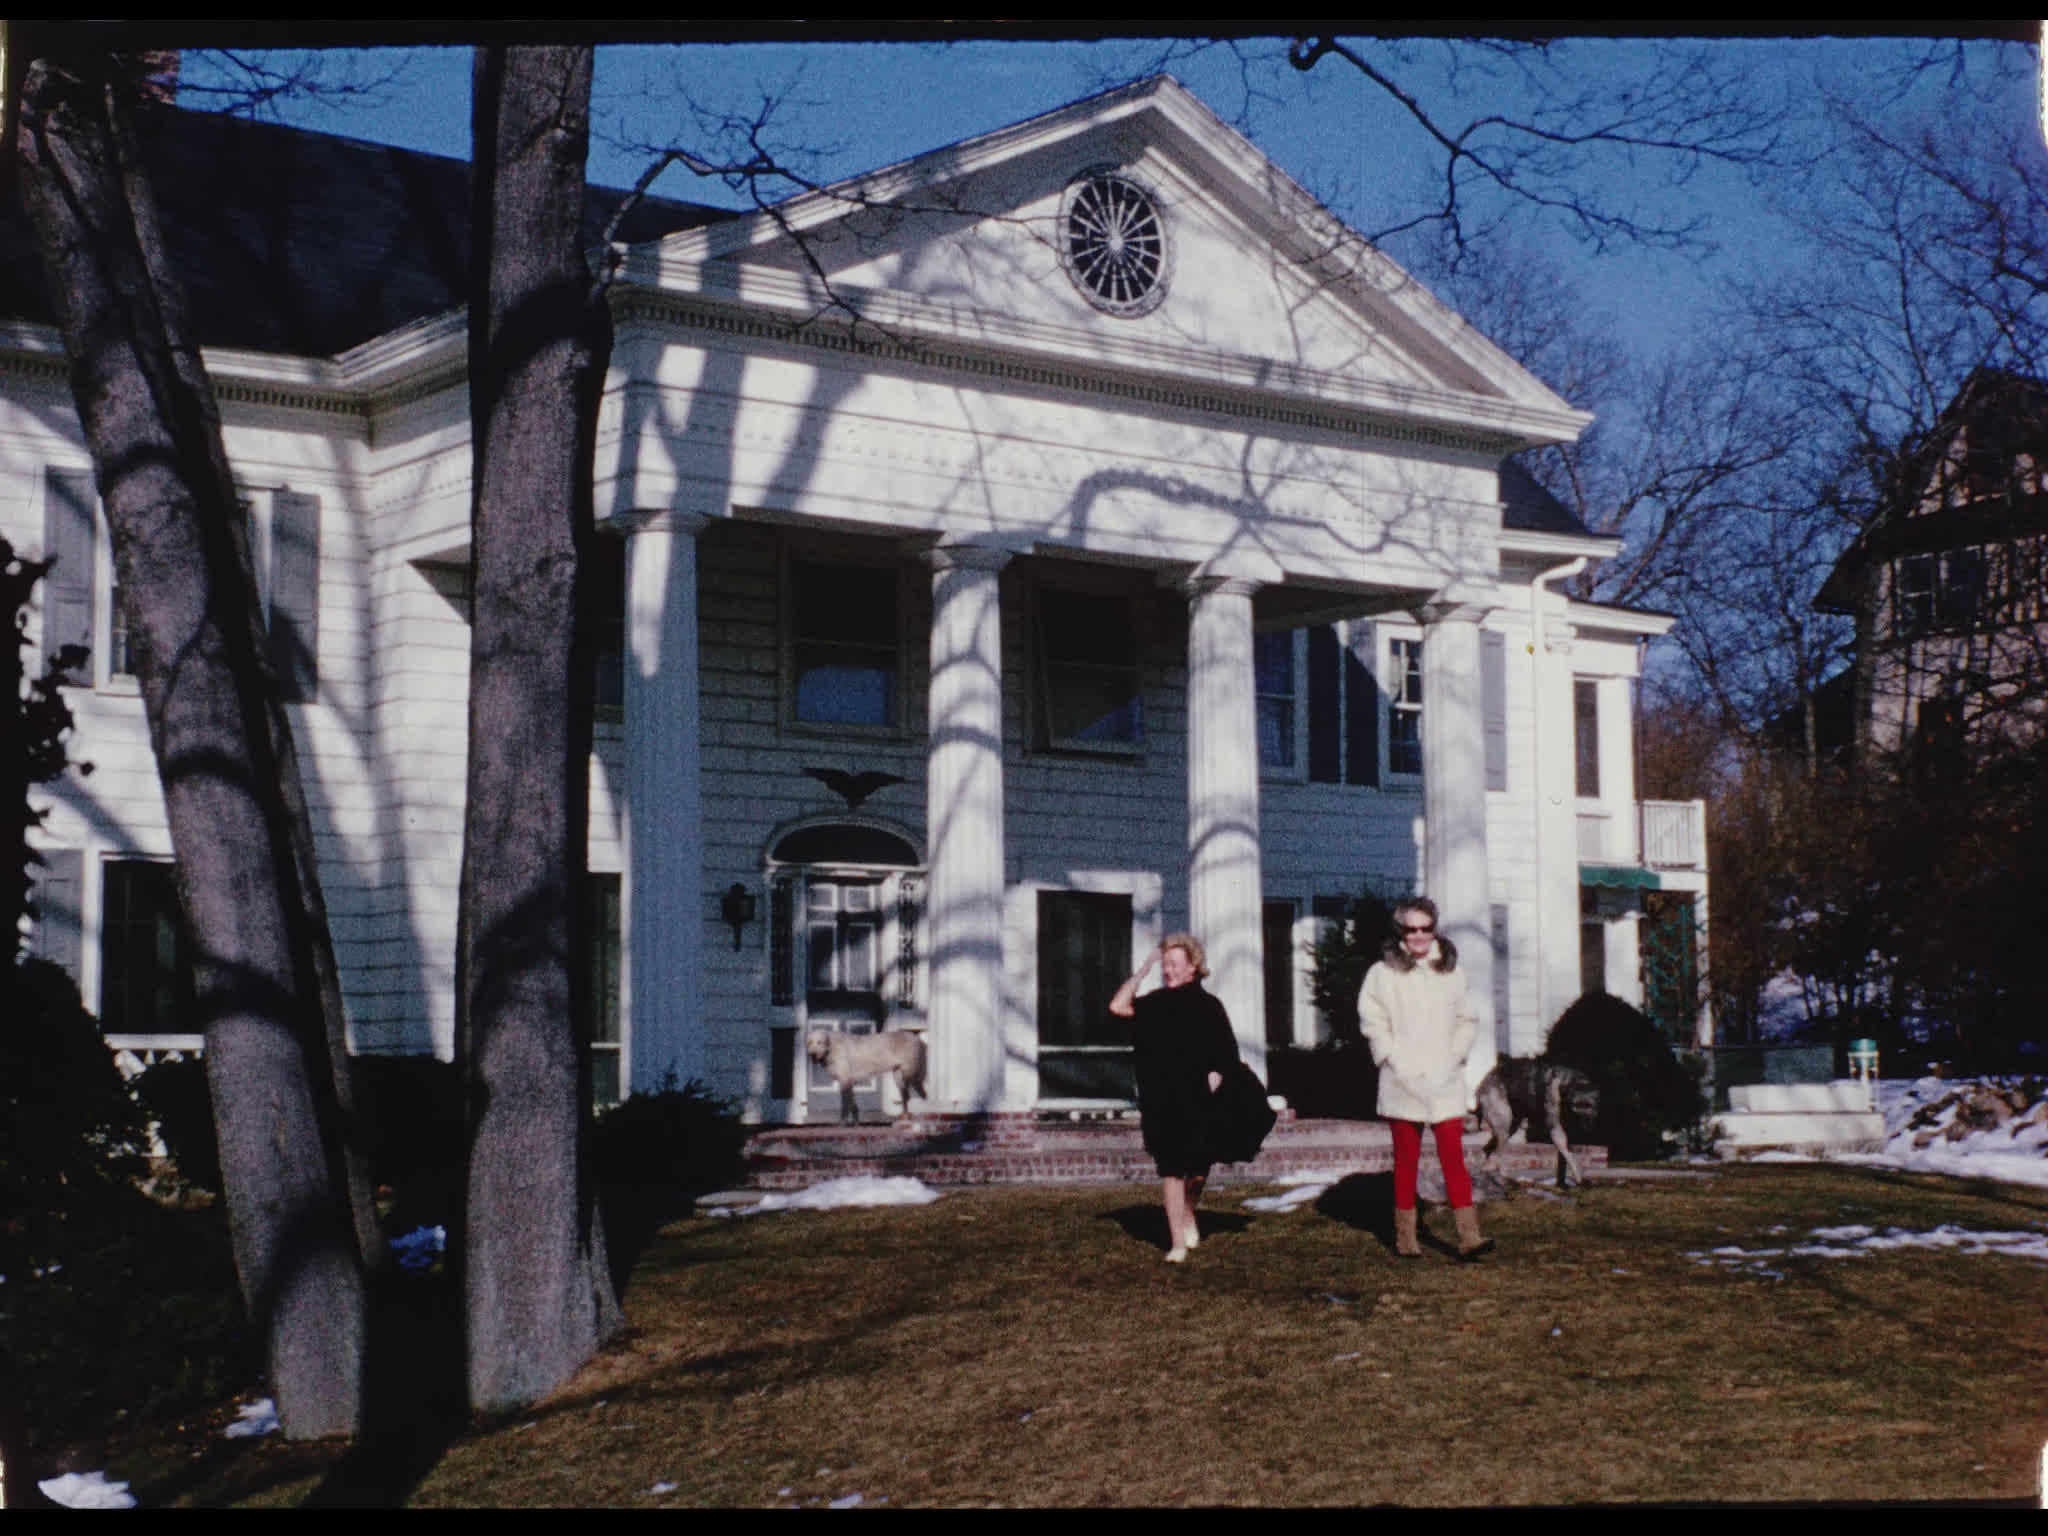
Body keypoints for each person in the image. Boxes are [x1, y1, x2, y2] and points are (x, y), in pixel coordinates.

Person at [1356, 897, 1495, 1261]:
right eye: (1411, 929)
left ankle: (1469, 1237)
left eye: (1425, 928)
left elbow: (1467, 1019)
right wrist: (1389, 1055)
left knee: (1454, 1158)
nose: (1418, 935)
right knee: (1407, 1161)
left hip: (1444, 1078)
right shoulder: (1382, 973)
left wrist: (1455, 1055)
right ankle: (1406, 1238)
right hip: (1401, 1079)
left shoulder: (1451, 972)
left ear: (1434, 929)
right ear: (1400, 931)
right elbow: (1371, 1018)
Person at [1109, 932, 1241, 1263]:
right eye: (1165, 964)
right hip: (1161, 1099)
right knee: (1171, 1169)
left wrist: (1216, 1078)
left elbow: (1226, 1053)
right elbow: (1117, 1006)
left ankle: (1188, 1212)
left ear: (1193, 966)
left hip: (1197, 1097)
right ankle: (1177, 1243)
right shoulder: (1154, 1003)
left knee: (1197, 1171)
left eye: (1174, 964)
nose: (1168, 970)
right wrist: (1143, 970)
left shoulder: (1210, 1006)